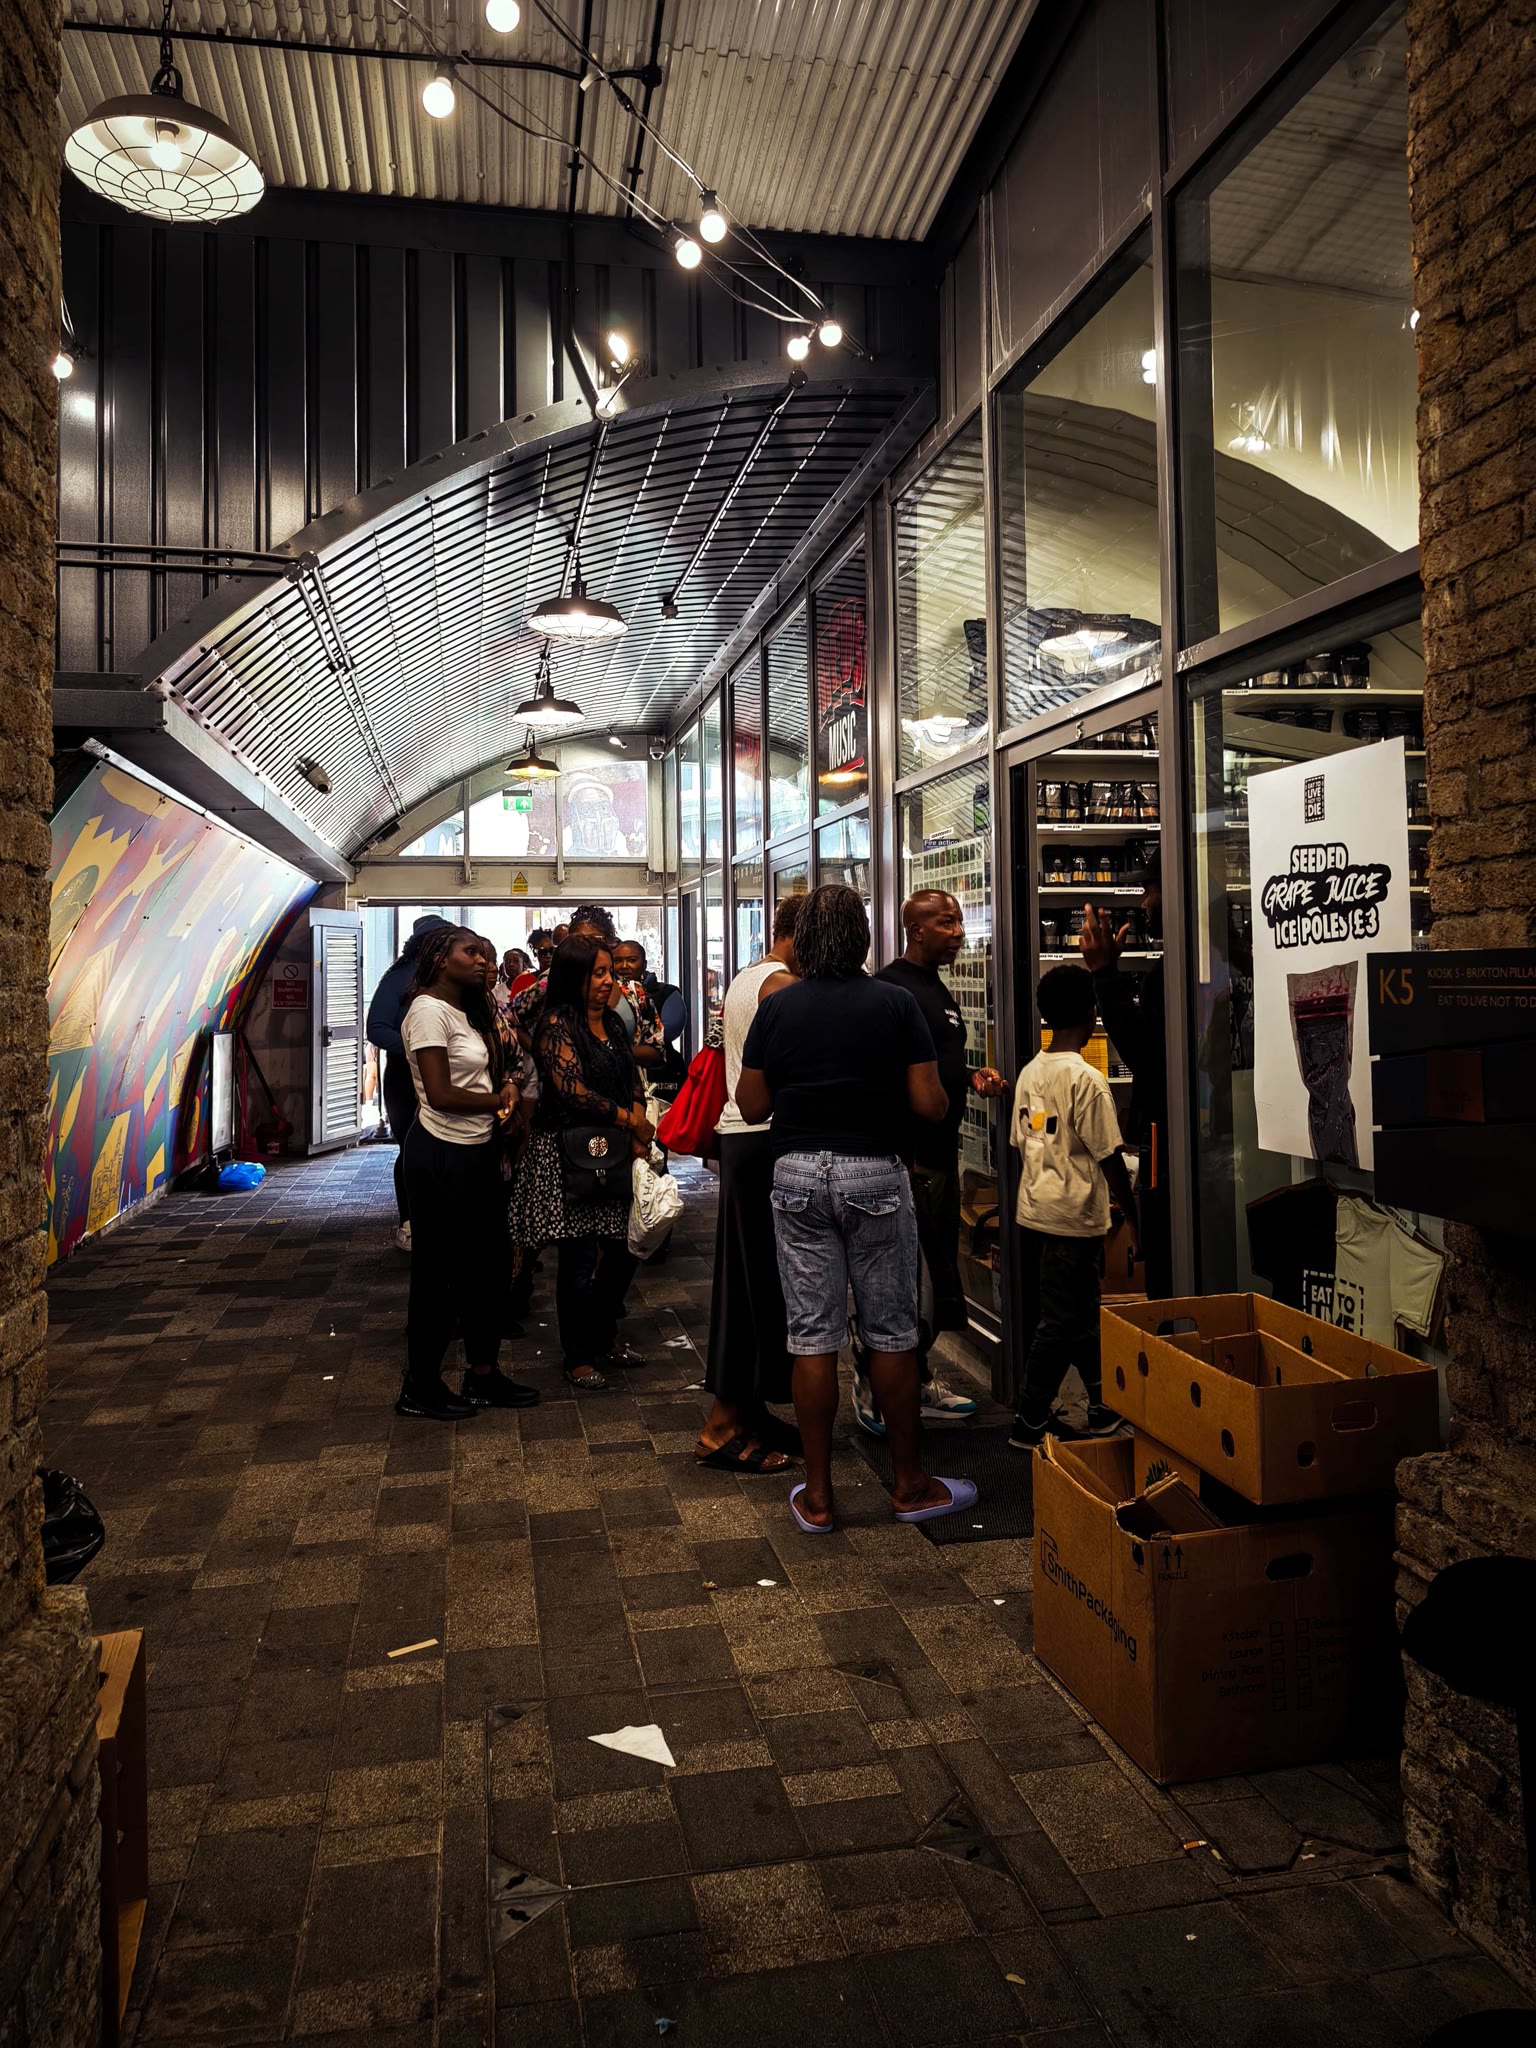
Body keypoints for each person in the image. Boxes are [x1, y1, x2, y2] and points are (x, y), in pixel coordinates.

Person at [735, 884, 978, 1533]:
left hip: (795, 1176)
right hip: (875, 1171)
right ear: (863, 937)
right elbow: (930, 1104)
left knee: (811, 1337)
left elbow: (751, 1106)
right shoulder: (895, 1003)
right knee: (891, 1333)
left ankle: (818, 1498)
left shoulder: (777, 1007)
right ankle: (910, 1486)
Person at [397, 926, 540, 1420]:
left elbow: (488, 1068)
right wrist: (500, 1100)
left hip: (479, 1151)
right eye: (471, 952)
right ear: (440, 958)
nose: (483, 960)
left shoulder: (466, 1009)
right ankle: (420, 1386)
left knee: (489, 1268)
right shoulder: (427, 1011)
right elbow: (440, 1094)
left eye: (485, 953)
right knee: (438, 1275)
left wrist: (507, 1088)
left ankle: (483, 1375)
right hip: (440, 1154)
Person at [854, 890, 982, 1434]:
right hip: (913, 1163)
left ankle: (916, 1380)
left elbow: (931, 1066)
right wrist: (899, 1156)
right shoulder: (892, 988)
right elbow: (882, 1078)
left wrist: (971, 1077)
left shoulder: (934, 986)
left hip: (940, 1156)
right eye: (947, 922)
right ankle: (872, 1384)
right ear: (917, 930)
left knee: (934, 1284)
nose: (958, 932)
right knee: (909, 1286)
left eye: (959, 922)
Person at [507, 935, 655, 1391]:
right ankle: (578, 1356)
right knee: (577, 1259)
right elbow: (572, 1092)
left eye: (610, 972)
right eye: (598, 973)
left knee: (624, 1251)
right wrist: (630, 1120)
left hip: (613, 1150)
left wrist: (637, 1122)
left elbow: (631, 1079)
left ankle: (603, 1337)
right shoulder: (556, 1024)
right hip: (568, 1155)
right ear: (575, 977)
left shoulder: (612, 1022)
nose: (609, 981)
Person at [1003, 965, 1138, 1449]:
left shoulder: (1029, 1073)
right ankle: (1030, 1418)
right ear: (1091, 1011)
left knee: (1079, 1317)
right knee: (1061, 1322)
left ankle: (1102, 1405)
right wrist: (1135, 1219)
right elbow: (1110, 1158)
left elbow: (1022, 1143)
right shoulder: (1087, 1080)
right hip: (1074, 1218)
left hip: (1036, 1211)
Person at [696, 896, 804, 1474]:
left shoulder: (747, 977)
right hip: (760, 1138)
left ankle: (748, 1411)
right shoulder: (780, 986)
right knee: (752, 1287)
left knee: (752, 1283)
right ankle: (722, 1425)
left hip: (742, 1141)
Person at [1080, 847, 1169, 1296]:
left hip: (1171, 1144)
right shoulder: (1224, 957)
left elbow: (1146, 1053)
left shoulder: (1167, 976)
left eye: (1150, 891)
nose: (1145, 903)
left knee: (1167, 1268)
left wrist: (1103, 974)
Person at [367, 913, 453, 1252]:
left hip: (449, 1074)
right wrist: (421, 1049)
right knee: (412, 1148)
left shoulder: (452, 978)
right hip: (405, 1077)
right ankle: (410, 1221)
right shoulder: (400, 977)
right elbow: (377, 1028)